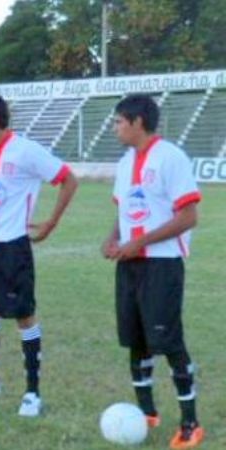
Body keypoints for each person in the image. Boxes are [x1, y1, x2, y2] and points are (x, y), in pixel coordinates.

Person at [0, 95, 78, 418]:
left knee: (23, 314)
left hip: (11, 245)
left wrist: (51, 221)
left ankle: (33, 393)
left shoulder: (26, 150)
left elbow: (68, 179)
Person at [102, 94, 204, 448]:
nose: (115, 127)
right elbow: (125, 210)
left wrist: (139, 240)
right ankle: (146, 412)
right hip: (130, 265)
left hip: (161, 265)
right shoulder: (124, 162)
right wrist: (114, 237)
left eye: (118, 121)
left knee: (169, 342)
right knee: (136, 339)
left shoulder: (170, 157)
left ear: (137, 122)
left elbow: (189, 216)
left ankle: (190, 422)